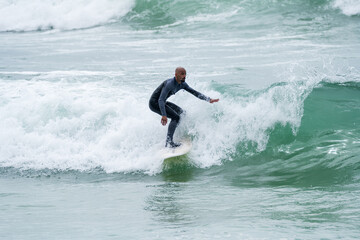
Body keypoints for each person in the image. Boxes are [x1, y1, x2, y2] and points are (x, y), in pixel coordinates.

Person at [149, 67, 219, 148]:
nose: (184, 76)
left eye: (185, 74)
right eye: (182, 74)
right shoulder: (169, 84)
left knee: (182, 113)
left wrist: (208, 99)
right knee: (176, 117)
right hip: (154, 103)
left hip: (162, 102)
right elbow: (160, 100)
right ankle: (169, 142)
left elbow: (194, 92)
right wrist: (164, 115)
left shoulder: (182, 84)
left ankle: (173, 134)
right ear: (176, 75)